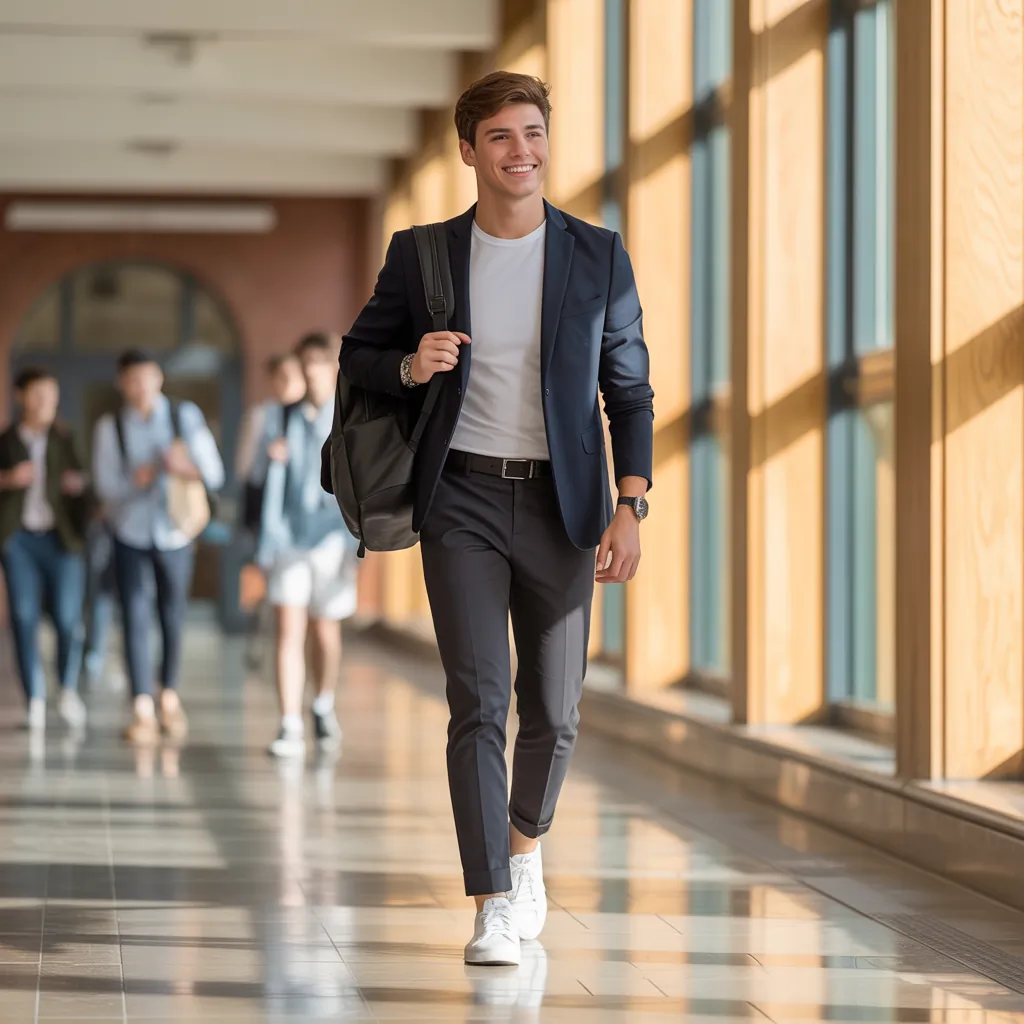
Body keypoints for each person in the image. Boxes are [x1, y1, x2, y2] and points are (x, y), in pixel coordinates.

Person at [339, 71, 654, 966]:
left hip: (564, 504)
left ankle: (526, 848)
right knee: (476, 699)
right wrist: (410, 364)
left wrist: (630, 504)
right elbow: (359, 354)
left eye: (534, 133)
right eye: (503, 137)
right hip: (462, 499)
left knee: (553, 707)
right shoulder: (424, 253)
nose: (523, 151)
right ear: (468, 149)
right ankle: (492, 901)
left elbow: (629, 393)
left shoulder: (597, 255)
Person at [92, 349, 225, 744]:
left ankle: (168, 693)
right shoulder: (110, 427)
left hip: (175, 533)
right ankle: (141, 706)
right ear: (121, 383)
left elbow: (214, 474)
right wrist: (140, 479)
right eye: (131, 380)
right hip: (128, 532)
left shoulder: (184, 416)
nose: (139, 387)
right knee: (133, 614)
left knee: (172, 614)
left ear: (158, 379)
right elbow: (106, 488)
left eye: (146, 378)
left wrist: (177, 467)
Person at [254, 333, 355, 759]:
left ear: (334, 365)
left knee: (324, 629)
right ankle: (289, 723)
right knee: (287, 630)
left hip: (334, 539)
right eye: (306, 362)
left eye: (320, 361)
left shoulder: (351, 414)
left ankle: (322, 703)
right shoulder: (278, 418)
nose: (312, 370)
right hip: (289, 537)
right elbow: (257, 480)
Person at [0, 367, 89, 730]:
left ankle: (66, 688)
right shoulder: (5, 441)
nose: (46, 403)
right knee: (23, 618)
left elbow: (90, 481)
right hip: (19, 540)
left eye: (52, 397)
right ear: (21, 396)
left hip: (61, 539)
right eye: (38, 395)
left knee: (68, 619)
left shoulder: (67, 439)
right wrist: (8, 479)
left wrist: (77, 484)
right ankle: (34, 696)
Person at [236, 353, 307, 671]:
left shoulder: (316, 414)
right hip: (267, 515)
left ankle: (289, 650)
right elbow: (245, 469)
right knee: (266, 583)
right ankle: (262, 644)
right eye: (280, 377)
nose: (286, 384)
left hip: (306, 518)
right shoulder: (263, 415)